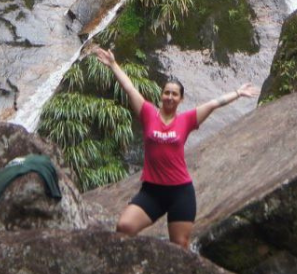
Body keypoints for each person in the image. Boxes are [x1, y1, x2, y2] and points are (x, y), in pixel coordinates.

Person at [93, 46, 257, 249]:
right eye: (167, 93)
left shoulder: (187, 120)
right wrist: (113, 64)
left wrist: (238, 93)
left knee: (180, 244)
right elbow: (129, 88)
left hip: (180, 192)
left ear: (181, 99)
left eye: (175, 94)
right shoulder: (148, 114)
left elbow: (214, 103)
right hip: (152, 192)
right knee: (124, 227)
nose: (170, 96)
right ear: (161, 95)